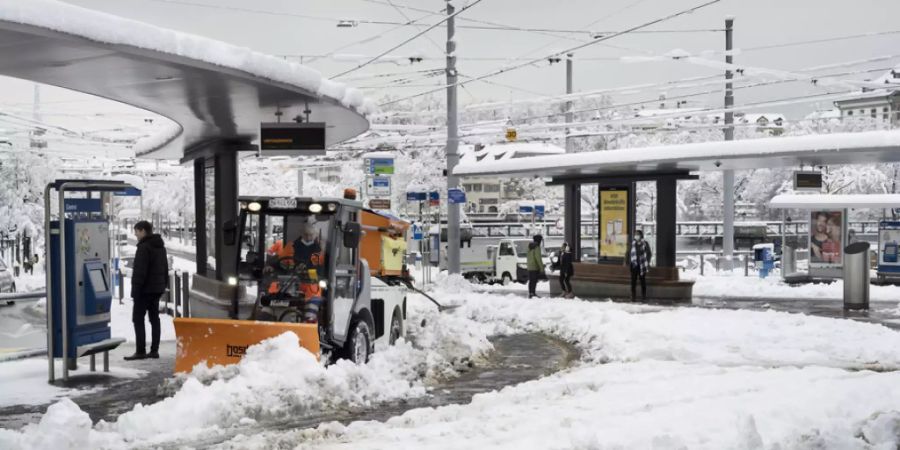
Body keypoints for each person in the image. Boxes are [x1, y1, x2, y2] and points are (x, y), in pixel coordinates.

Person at [125, 221, 168, 361]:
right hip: (156, 289)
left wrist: (135, 292)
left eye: (136, 231)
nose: (135, 234)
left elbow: (140, 272)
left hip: (144, 290)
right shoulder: (160, 246)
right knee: (154, 319)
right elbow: (165, 269)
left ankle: (140, 351)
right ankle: (154, 350)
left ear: (143, 231)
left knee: (137, 319)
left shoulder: (144, 247)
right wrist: (162, 286)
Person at [293, 223, 325, 323]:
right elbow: (284, 260)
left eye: (311, 234)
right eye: (306, 234)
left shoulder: (317, 249)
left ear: (315, 235)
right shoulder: (293, 246)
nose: (308, 237)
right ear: (301, 234)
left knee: (314, 290)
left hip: (309, 282)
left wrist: (307, 270)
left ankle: (309, 319)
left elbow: (318, 268)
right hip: (292, 280)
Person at [629, 230, 652, 301]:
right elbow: (628, 253)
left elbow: (649, 253)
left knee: (642, 281)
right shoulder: (632, 243)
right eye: (635, 234)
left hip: (642, 265)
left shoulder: (645, 243)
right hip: (634, 265)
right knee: (633, 281)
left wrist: (647, 262)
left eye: (638, 234)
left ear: (641, 235)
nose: (636, 235)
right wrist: (627, 261)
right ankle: (633, 296)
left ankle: (643, 296)